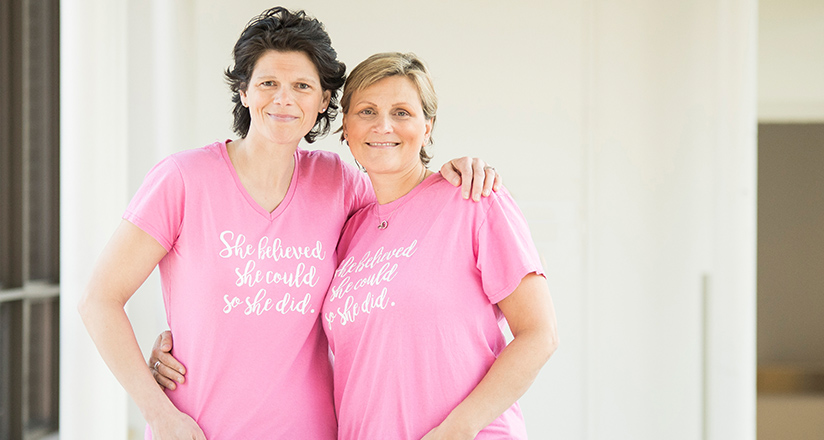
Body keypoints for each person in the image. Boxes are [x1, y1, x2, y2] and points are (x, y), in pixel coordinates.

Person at [78, 8, 498, 440]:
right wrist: (157, 408)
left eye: (302, 86)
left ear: (322, 102)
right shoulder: (182, 180)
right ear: (243, 91)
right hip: (197, 432)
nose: (284, 99)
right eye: (267, 84)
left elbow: (407, 204)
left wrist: (457, 171)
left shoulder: (338, 182)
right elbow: (99, 300)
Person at [154, 52, 557, 439]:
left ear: (428, 125)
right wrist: (186, 343)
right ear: (346, 127)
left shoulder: (473, 200)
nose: (383, 126)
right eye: (367, 111)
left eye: (402, 112)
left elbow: (539, 334)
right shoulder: (351, 227)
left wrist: (459, 429)